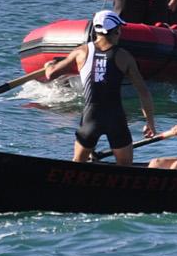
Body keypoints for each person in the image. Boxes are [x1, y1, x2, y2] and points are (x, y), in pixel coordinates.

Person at [39, 10, 156, 165]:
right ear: (116, 31)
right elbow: (143, 92)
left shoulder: (81, 52)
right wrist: (150, 123)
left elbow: (50, 74)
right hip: (116, 119)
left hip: (90, 119)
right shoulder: (124, 56)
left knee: (77, 163)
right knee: (126, 167)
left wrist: (49, 65)